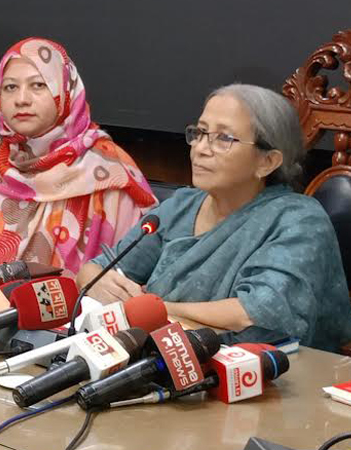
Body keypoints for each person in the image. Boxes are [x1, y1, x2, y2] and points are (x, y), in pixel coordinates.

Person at [77, 83, 351, 352]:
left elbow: (260, 314)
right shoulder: (180, 207)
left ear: (267, 162)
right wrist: (101, 285)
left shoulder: (299, 221)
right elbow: (93, 271)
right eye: (200, 132)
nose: (200, 148)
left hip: (270, 372)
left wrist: (154, 309)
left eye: (224, 138)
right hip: (166, 358)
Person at [0, 38, 156, 274]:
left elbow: (130, 275)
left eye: (38, 85)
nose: (22, 99)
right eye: (10, 87)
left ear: (65, 92)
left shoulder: (109, 172)